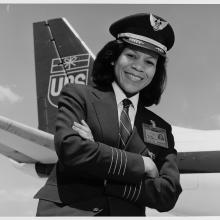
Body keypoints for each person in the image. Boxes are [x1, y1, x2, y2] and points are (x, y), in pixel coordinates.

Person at [34, 12, 182, 216]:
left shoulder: (161, 128)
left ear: (156, 71)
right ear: (113, 59)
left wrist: (98, 158)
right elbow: (71, 149)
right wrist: (143, 165)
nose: (139, 67)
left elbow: (168, 195)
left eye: (150, 62)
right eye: (131, 56)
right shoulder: (79, 95)